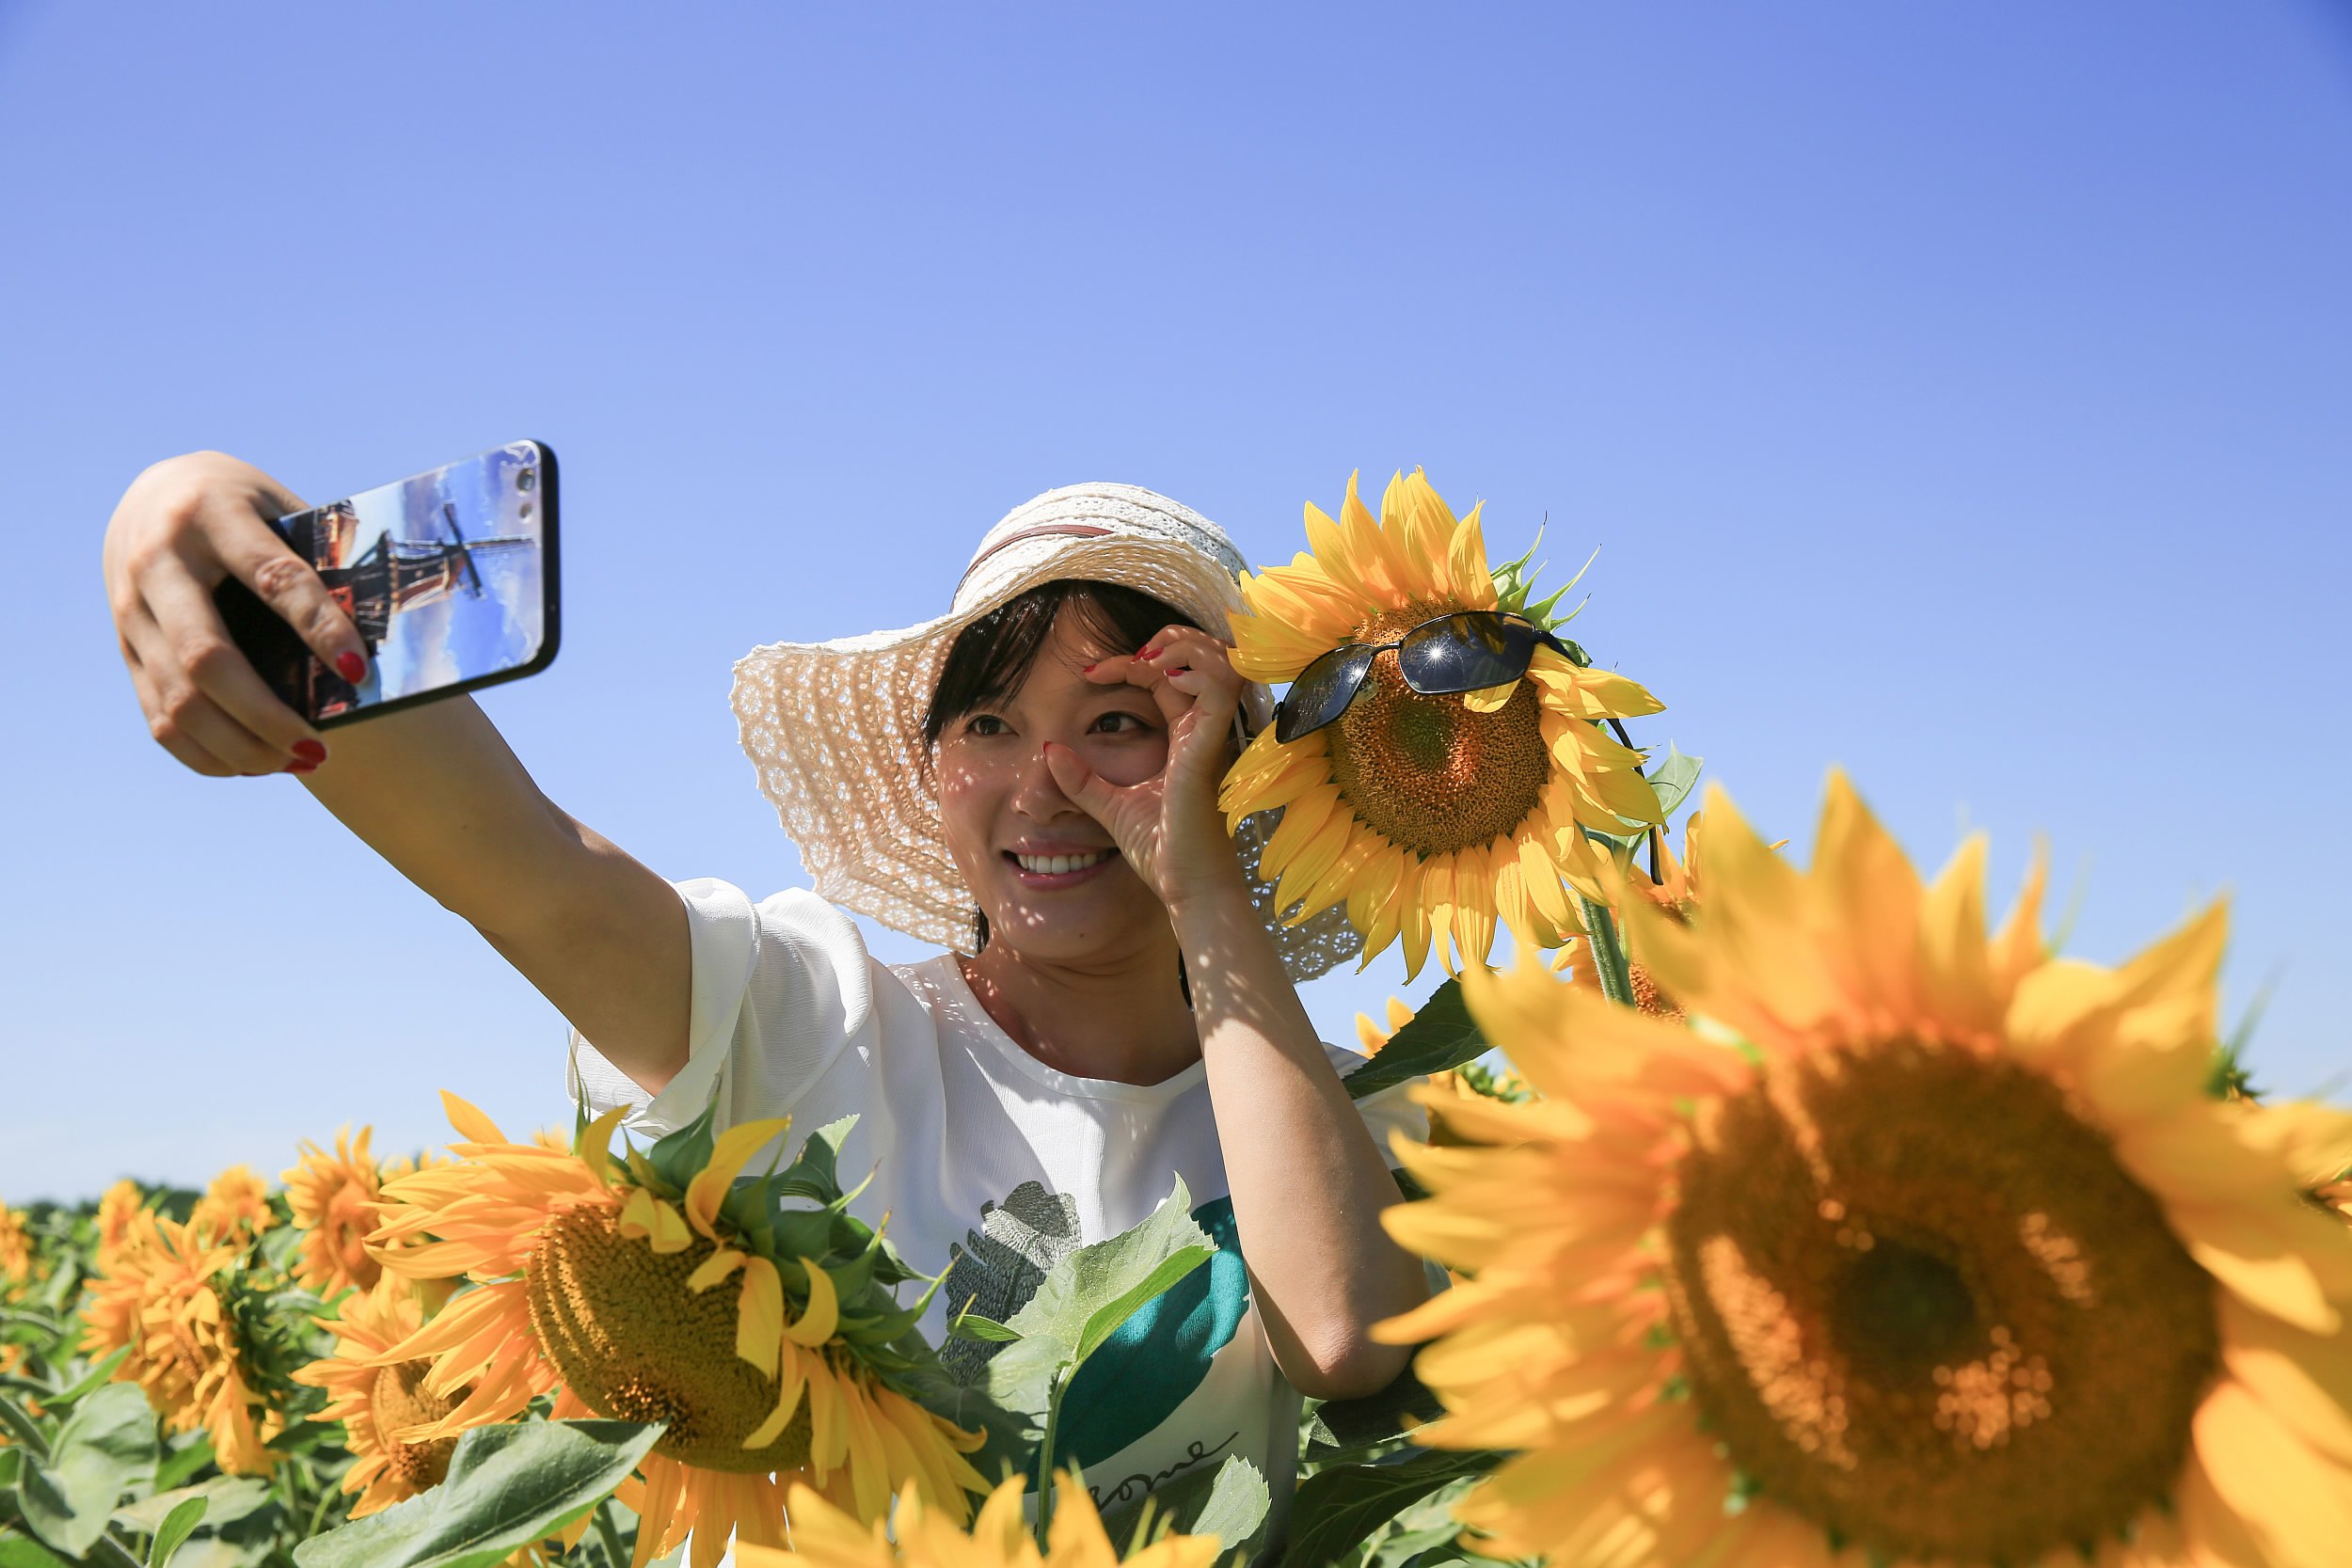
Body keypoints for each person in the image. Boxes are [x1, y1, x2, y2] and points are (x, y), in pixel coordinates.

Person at [100, 456, 1432, 1543]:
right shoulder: (814, 1020)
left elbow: (1341, 1332)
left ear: (1230, 767)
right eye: (987, 727)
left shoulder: (1333, 1129)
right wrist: (218, 526)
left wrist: (1205, 884)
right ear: (927, 775)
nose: (1046, 784)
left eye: (1123, 722)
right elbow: (529, 874)